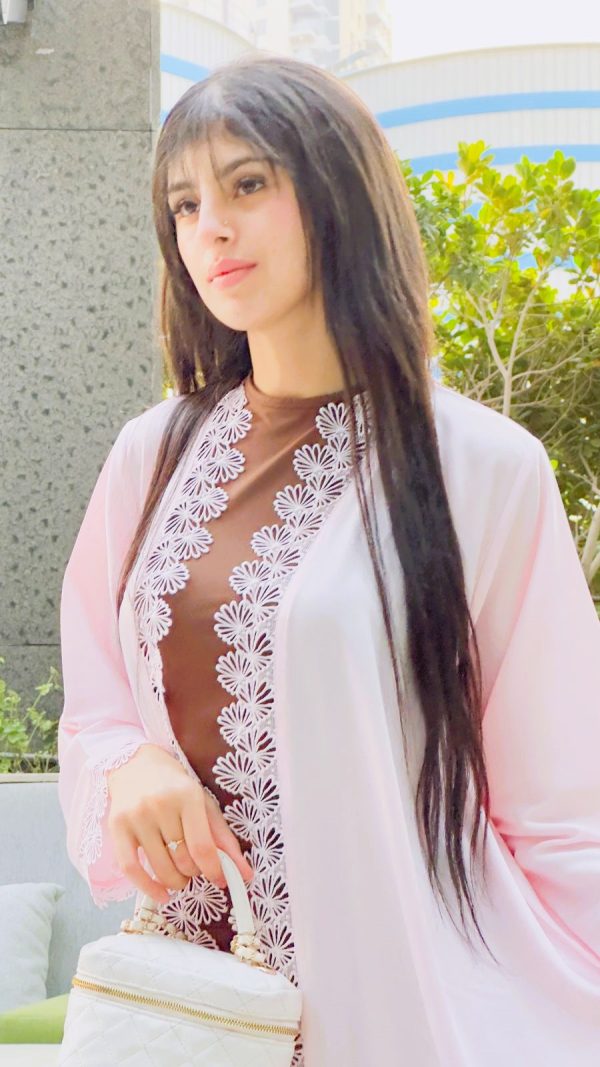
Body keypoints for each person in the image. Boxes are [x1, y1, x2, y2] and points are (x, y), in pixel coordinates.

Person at [57, 53, 600, 1066]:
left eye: (247, 184)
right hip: (188, 1010)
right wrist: (128, 764)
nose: (211, 228)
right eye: (185, 205)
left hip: (400, 1005)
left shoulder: (483, 468)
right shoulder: (153, 455)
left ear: (338, 194)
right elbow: (95, 702)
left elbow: (562, 806)